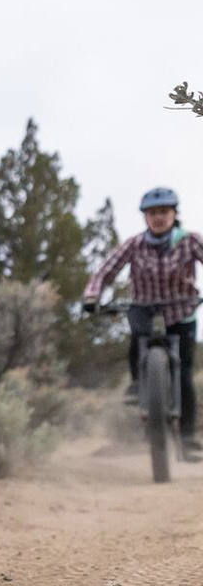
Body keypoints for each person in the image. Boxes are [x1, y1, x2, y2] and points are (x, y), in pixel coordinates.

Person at [82, 187, 203, 451]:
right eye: (152, 213)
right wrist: (92, 296)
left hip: (182, 308)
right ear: (145, 216)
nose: (158, 217)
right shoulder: (134, 244)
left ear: (174, 214)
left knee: (184, 372)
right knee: (139, 340)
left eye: (163, 212)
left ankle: (187, 438)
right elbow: (106, 270)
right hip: (143, 307)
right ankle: (139, 387)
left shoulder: (190, 241)